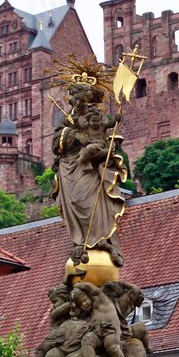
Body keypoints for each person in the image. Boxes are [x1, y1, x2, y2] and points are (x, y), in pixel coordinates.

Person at [51, 80, 126, 267]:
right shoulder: (67, 120)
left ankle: (100, 239)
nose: (78, 104)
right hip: (70, 167)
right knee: (75, 200)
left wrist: (107, 147)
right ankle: (81, 241)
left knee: (94, 203)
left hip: (93, 168)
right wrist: (75, 135)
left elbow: (110, 137)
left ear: (89, 101)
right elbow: (55, 144)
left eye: (82, 101)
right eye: (75, 100)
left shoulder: (96, 118)